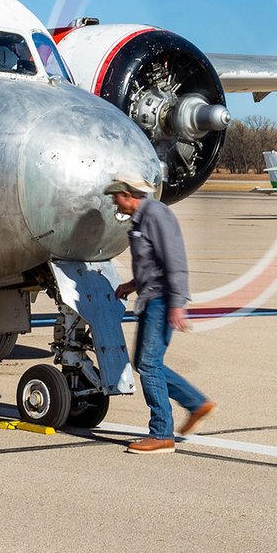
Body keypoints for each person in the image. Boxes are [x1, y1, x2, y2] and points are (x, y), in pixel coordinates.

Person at [104, 175, 216, 454]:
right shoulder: (141, 218)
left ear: (128, 194)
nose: (112, 201)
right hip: (151, 296)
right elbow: (152, 263)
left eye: (114, 196)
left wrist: (177, 303)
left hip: (162, 300)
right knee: (145, 362)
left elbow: (174, 259)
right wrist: (132, 284)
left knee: (149, 364)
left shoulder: (156, 214)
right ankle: (196, 403)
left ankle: (162, 434)